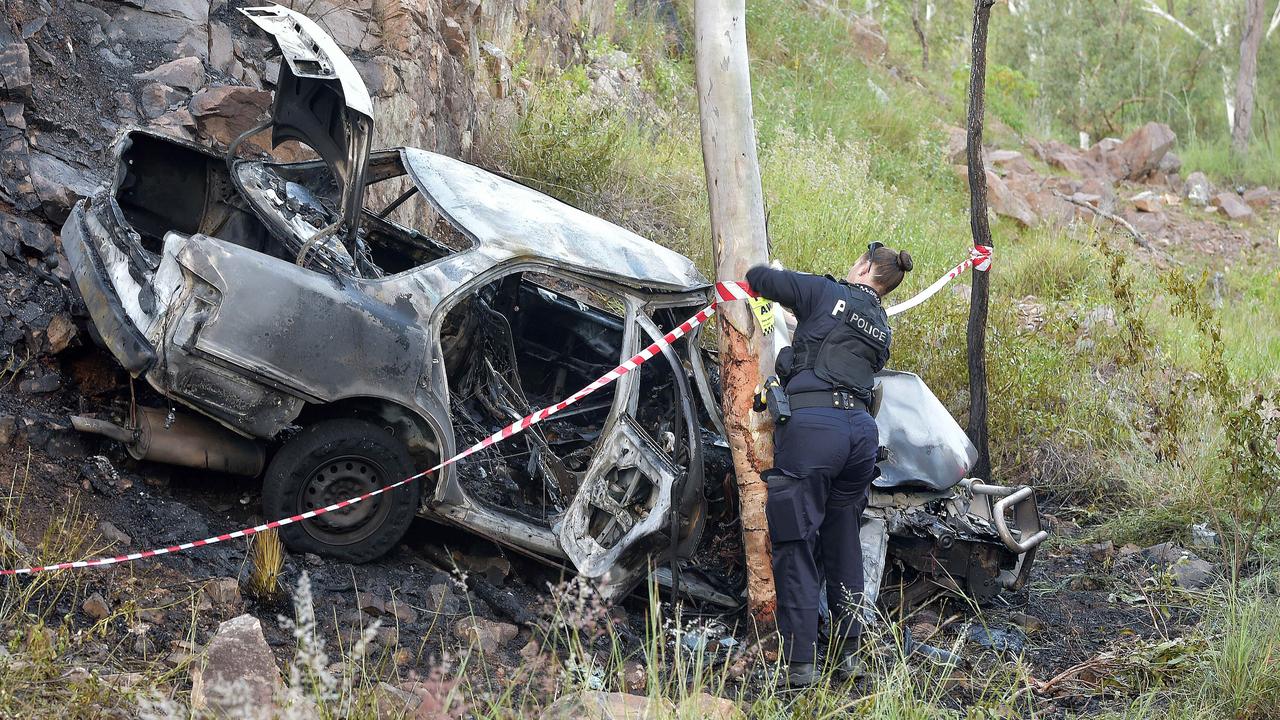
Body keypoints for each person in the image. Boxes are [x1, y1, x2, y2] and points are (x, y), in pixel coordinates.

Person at [745, 242, 913, 686]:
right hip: (861, 435)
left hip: (814, 432)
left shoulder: (824, 292)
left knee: (795, 542)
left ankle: (800, 666)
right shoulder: (881, 328)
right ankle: (849, 656)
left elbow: (761, 279)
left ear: (862, 266)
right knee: (842, 543)